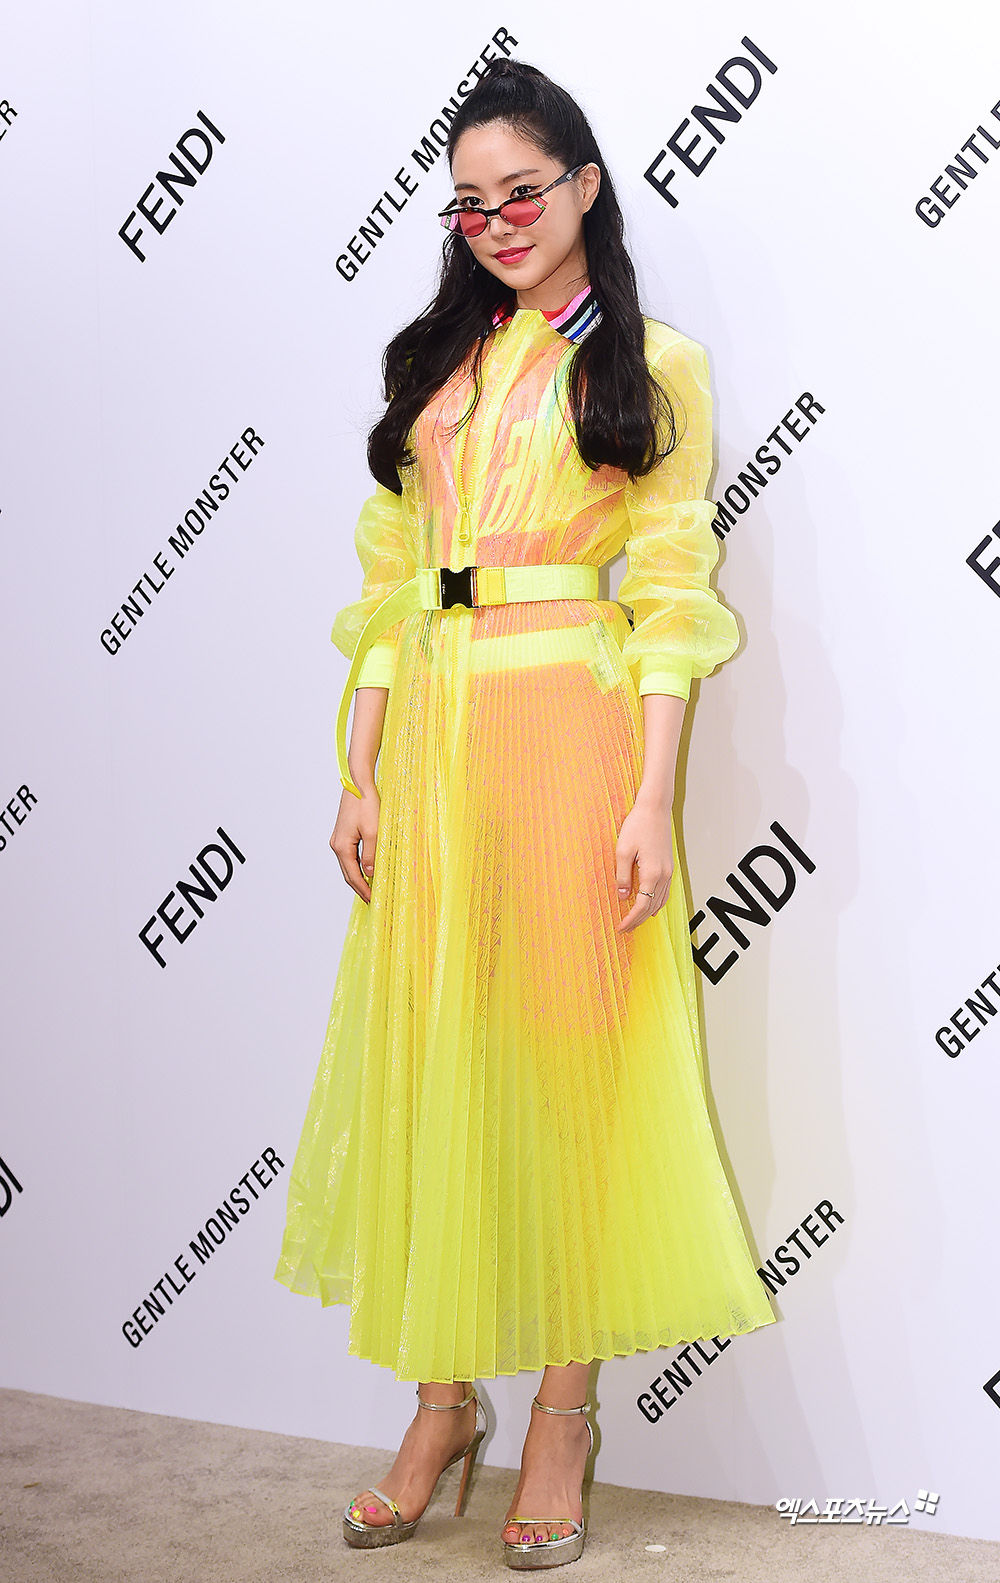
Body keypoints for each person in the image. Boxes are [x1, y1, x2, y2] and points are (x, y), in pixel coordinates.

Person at [274, 57, 776, 1569]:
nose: (498, 221)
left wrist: (651, 800)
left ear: (585, 186)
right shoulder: (440, 359)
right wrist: (358, 770)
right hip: (431, 741)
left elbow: (673, 591)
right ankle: (442, 1408)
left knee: (567, 1069)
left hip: (569, 723)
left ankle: (562, 1418)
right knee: (432, 1056)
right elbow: (387, 581)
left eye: (524, 193)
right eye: (470, 203)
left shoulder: (653, 364)